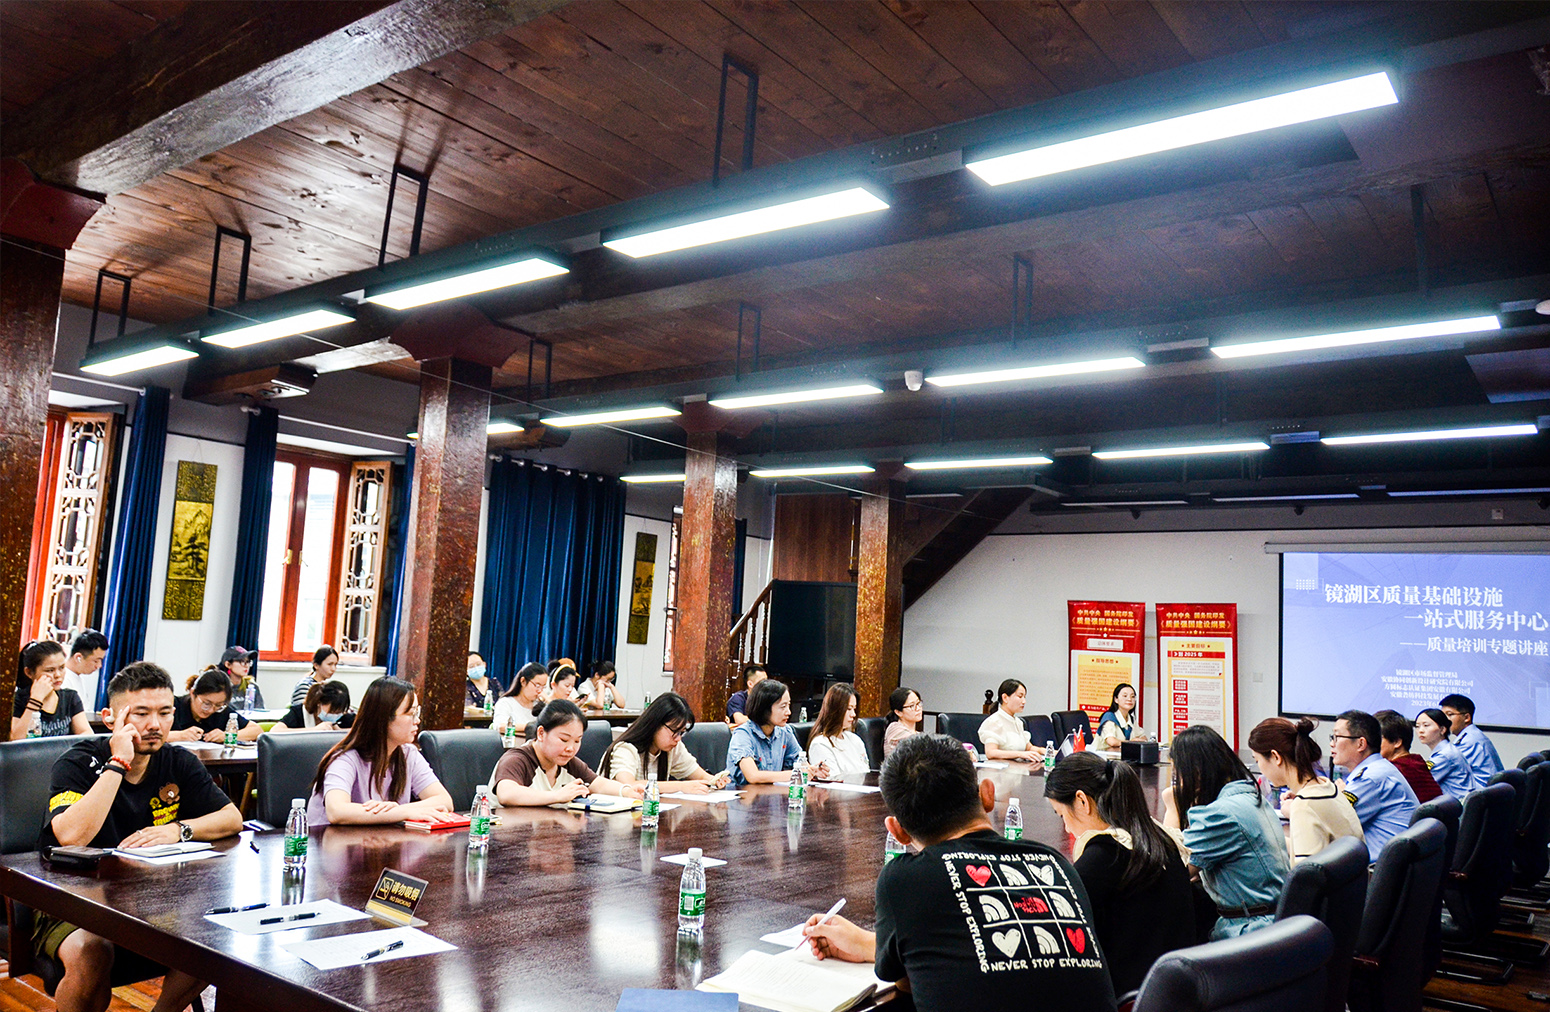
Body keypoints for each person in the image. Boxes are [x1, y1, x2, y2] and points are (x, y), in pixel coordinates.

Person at [802, 734, 1116, 1012]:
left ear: (897, 831)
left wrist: (875, 946)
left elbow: (907, 981)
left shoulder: (905, 881)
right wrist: (865, 944)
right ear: (988, 794)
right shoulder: (1055, 864)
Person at [38, 661, 242, 1012]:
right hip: (70, 896)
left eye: (165, 713)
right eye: (141, 713)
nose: (155, 725)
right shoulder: (77, 762)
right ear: (110, 718)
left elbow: (232, 818)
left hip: (152, 896)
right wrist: (118, 763)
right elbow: (71, 836)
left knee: (213, 938)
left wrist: (178, 830)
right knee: (92, 951)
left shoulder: (178, 761)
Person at [1044, 751, 1196, 995]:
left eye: (1062, 815)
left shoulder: (1103, 856)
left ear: (1082, 801)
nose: (1067, 827)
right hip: (1175, 990)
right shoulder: (1161, 837)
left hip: (1130, 997)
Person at [1164, 724, 1289, 938]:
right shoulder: (1250, 796)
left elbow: (1172, 871)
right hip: (1273, 921)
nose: (1178, 781)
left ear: (1196, 771)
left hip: (1248, 931)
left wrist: (1172, 807)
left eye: (1178, 773)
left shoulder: (1222, 814)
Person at [307, 677, 455, 825]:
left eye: (417, 712)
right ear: (384, 718)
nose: (417, 720)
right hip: (328, 838)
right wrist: (402, 812)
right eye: (410, 713)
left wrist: (398, 810)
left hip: (377, 836)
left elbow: (445, 801)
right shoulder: (345, 758)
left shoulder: (408, 754)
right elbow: (337, 811)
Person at [1248, 716, 1363, 863]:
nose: (1260, 769)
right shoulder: (1328, 787)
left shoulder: (1304, 805)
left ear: (1276, 757)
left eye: (1257, 760)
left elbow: (1305, 872)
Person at [491, 699, 641, 806]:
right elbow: (506, 794)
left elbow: (598, 784)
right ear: (541, 733)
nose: (570, 748)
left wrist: (627, 791)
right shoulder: (517, 759)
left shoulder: (568, 762)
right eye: (564, 740)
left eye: (577, 741)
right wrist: (557, 796)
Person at [1331, 709, 1418, 862]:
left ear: (1360, 744)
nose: (1332, 744)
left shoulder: (1370, 778)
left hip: (1373, 869)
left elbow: (1330, 825)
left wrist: (1293, 807)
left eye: (1337, 737)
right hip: (1389, 863)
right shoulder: (1378, 768)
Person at [598, 692, 730, 792]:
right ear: (655, 724)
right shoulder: (625, 749)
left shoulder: (672, 748)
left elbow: (701, 776)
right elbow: (630, 786)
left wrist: (714, 781)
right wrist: (682, 786)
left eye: (681, 733)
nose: (678, 739)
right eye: (675, 731)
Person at [726, 678, 821, 787]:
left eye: (789, 705)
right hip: (742, 795)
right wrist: (795, 774)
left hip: (771, 794)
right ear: (764, 708)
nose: (788, 712)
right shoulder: (743, 734)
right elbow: (753, 776)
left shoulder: (785, 731)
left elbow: (800, 761)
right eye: (783, 707)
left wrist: (812, 770)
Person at [11, 640, 91, 740]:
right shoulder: (18, 699)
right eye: (50, 670)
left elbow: (86, 733)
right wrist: (35, 701)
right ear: (29, 672)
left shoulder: (70, 697)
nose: (58, 675)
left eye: (62, 668)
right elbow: (15, 740)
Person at [167, 670, 261, 743]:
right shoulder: (172, 706)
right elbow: (157, 735)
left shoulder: (220, 712)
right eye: (206, 704)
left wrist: (226, 736)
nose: (211, 710)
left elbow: (257, 730)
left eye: (218, 705)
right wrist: (179, 736)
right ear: (192, 693)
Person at [1374, 709, 1441, 803]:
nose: (1371, 744)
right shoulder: (1414, 763)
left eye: (1377, 739)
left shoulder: (1395, 770)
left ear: (1397, 742)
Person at [1439, 693, 1503, 786]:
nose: (1444, 720)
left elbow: (1441, 767)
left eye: (1449, 714)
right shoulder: (1473, 735)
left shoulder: (1469, 742)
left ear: (1466, 718)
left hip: (1479, 792)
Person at [977, 679, 1048, 762]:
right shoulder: (994, 721)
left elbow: (1029, 748)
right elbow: (991, 753)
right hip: (1003, 769)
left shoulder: (1018, 722)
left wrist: (1045, 751)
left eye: (1024, 697)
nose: (1024, 701)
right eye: (1020, 697)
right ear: (1005, 698)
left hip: (1020, 767)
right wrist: (1020, 754)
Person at [807, 683, 870, 775]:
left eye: (854, 709)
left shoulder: (855, 740)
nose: (853, 714)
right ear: (835, 710)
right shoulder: (821, 744)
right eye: (848, 709)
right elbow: (832, 779)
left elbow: (866, 772)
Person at [1415, 707, 1474, 800]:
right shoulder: (1446, 750)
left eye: (1426, 725)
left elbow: (1421, 784)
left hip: (1456, 805)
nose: (1420, 730)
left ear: (1442, 730)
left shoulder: (1445, 755)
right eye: (1417, 726)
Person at [273, 680, 355, 731]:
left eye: (339, 712)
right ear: (319, 703)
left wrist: (338, 731)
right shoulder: (299, 713)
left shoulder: (344, 717)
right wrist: (314, 730)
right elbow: (275, 731)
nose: (335, 715)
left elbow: (361, 732)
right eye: (332, 711)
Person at [493, 662, 549, 736]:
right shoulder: (506, 703)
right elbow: (500, 726)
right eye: (537, 685)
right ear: (523, 681)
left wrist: (548, 702)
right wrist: (529, 727)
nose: (540, 691)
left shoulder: (539, 705)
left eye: (543, 687)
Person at [1096, 683, 1152, 748]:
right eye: (1125, 696)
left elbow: (1143, 738)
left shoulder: (1131, 719)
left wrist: (1138, 740)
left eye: (1132, 696)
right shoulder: (1109, 717)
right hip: (1101, 754)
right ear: (1116, 699)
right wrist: (1131, 742)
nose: (1129, 699)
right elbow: (1111, 741)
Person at [60, 629, 109, 704]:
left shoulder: (77, 678)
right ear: (78, 657)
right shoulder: (63, 681)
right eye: (95, 661)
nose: (99, 666)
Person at [884, 686, 924, 760]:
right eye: (912, 706)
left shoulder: (917, 734)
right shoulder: (895, 729)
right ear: (898, 712)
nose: (918, 708)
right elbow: (919, 745)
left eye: (918, 703)